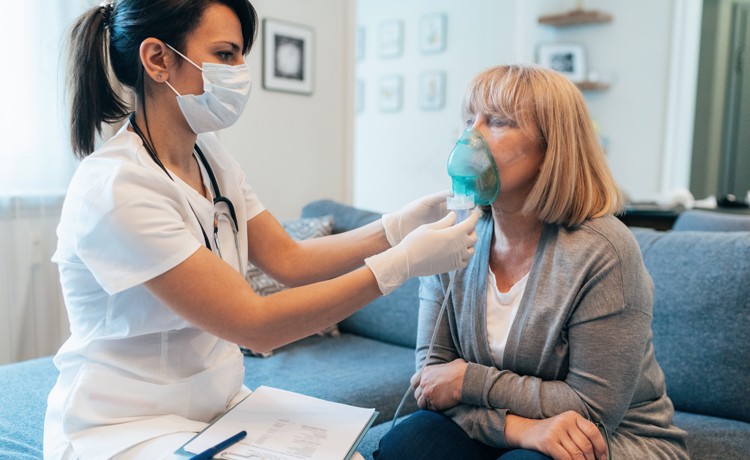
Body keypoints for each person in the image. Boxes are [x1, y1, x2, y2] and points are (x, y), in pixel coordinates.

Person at [44, 1, 480, 458]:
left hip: (218, 411)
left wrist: (395, 227)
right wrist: (402, 264)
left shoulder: (210, 158)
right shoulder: (117, 187)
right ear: (158, 59)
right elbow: (256, 326)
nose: (241, 71)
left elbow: (291, 260)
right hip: (126, 426)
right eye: (226, 54)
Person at [374, 65, 689, 460]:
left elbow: (592, 410)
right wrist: (518, 430)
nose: (472, 136)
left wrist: (469, 380)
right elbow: (431, 384)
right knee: (412, 440)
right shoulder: (451, 239)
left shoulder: (603, 251)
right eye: (469, 119)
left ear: (551, 150)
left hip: (606, 440)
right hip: (514, 432)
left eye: (499, 121)